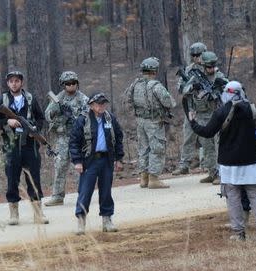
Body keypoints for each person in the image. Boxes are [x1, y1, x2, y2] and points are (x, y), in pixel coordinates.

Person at [189, 81, 256, 242]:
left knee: (233, 197)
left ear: (226, 94)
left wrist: (193, 122)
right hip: (251, 161)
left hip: (228, 163)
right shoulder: (253, 109)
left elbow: (207, 132)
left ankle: (238, 233)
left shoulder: (221, 112)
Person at [0, 71, 49, 225]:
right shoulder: (0, 101)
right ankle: (14, 214)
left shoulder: (31, 99)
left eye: (17, 81)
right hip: (11, 146)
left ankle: (38, 213)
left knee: (34, 179)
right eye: (11, 81)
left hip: (30, 146)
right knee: (12, 179)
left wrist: (35, 130)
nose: (14, 84)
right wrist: (7, 122)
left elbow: (41, 118)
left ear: (21, 82)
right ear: (7, 83)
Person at [69, 92, 124, 235]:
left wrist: (118, 159)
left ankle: (107, 220)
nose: (101, 106)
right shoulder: (83, 120)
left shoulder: (110, 118)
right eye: (98, 103)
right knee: (85, 191)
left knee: (106, 191)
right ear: (92, 105)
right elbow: (74, 142)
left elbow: (118, 138)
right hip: (89, 160)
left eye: (103, 103)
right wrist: (77, 161)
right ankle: (81, 221)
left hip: (107, 159)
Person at [125, 57, 176, 189]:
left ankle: (144, 178)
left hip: (140, 121)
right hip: (154, 121)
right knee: (157, 148)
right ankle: (154, 178)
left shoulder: (135, 84)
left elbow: (127, 101)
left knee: (143, 149)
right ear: (155, 71)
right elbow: (169, 102)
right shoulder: (156, 86)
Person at [181, 51, 228, 185]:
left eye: (213, 66)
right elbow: (184, 90)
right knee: (207, 146)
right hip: (202, 116)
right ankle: (212, 172)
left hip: (217, 115)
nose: (211, 69)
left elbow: (231, 88)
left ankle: (221, 173)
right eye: (208, 67)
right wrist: (193, 87)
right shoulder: (197, 76)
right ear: (203, 66)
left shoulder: (219, 76)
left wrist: (223, 84)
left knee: (219, 145)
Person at [44, 71, 89, 206]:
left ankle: (83, 194)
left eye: (73, 83)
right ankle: (57, 195)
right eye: (67, 84)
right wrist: (55, 110)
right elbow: (47, 115)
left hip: (78, 138)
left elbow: (88, 116)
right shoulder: (58, 98)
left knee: (80, 166)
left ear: (77, 84)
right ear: (63, 85)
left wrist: (74, 115)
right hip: (62, 137)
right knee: (60, 165)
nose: (70, 86)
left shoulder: (83, 99)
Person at [172, 42, 207, 176]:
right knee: (188, 137)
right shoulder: (188, 70)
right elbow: (180, 88)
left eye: (198, 55)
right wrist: (191, 87)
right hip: (192, 109)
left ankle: (210, 166)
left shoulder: (210, 68)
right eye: (194, 55)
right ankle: (184, 165)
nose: (196, 57)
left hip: (207, 110)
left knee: (209, 139)